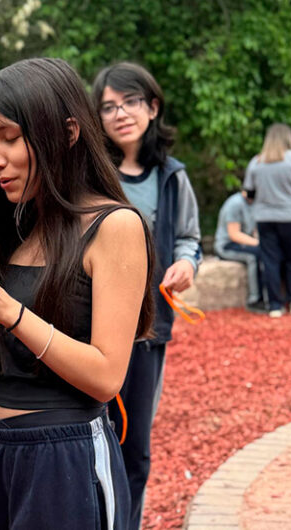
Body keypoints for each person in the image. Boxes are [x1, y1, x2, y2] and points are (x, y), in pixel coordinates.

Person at [0, 57, 154, 529]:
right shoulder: (12, 226)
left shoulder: (114, 226)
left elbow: (106, 376)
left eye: (11, 138)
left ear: (69, 132)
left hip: (67, 454)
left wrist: (13, 312)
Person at [92, 61, 201, 530]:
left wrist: (186, 264)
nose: (120, 114)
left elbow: (189, 239)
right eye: (108, 107)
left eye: (130, 102)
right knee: (93, 437)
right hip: (90, 325)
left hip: (148, 330)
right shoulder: (90, 173)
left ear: (152, 107)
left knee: (134, 445)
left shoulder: (172, 177)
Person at [242, 123, 291, 317]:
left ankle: (274, 305)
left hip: (264, 218)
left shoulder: (256, 162)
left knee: (270, 261)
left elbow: (250, 193)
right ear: (288, 138)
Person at [214, 191, 265, 312]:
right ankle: (254, 299)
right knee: (254, 256)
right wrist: (259, 243)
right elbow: (234, 234)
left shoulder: (254, 203)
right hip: (226, 245)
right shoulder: (235, 204)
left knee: (269, 253)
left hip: (244, 243)